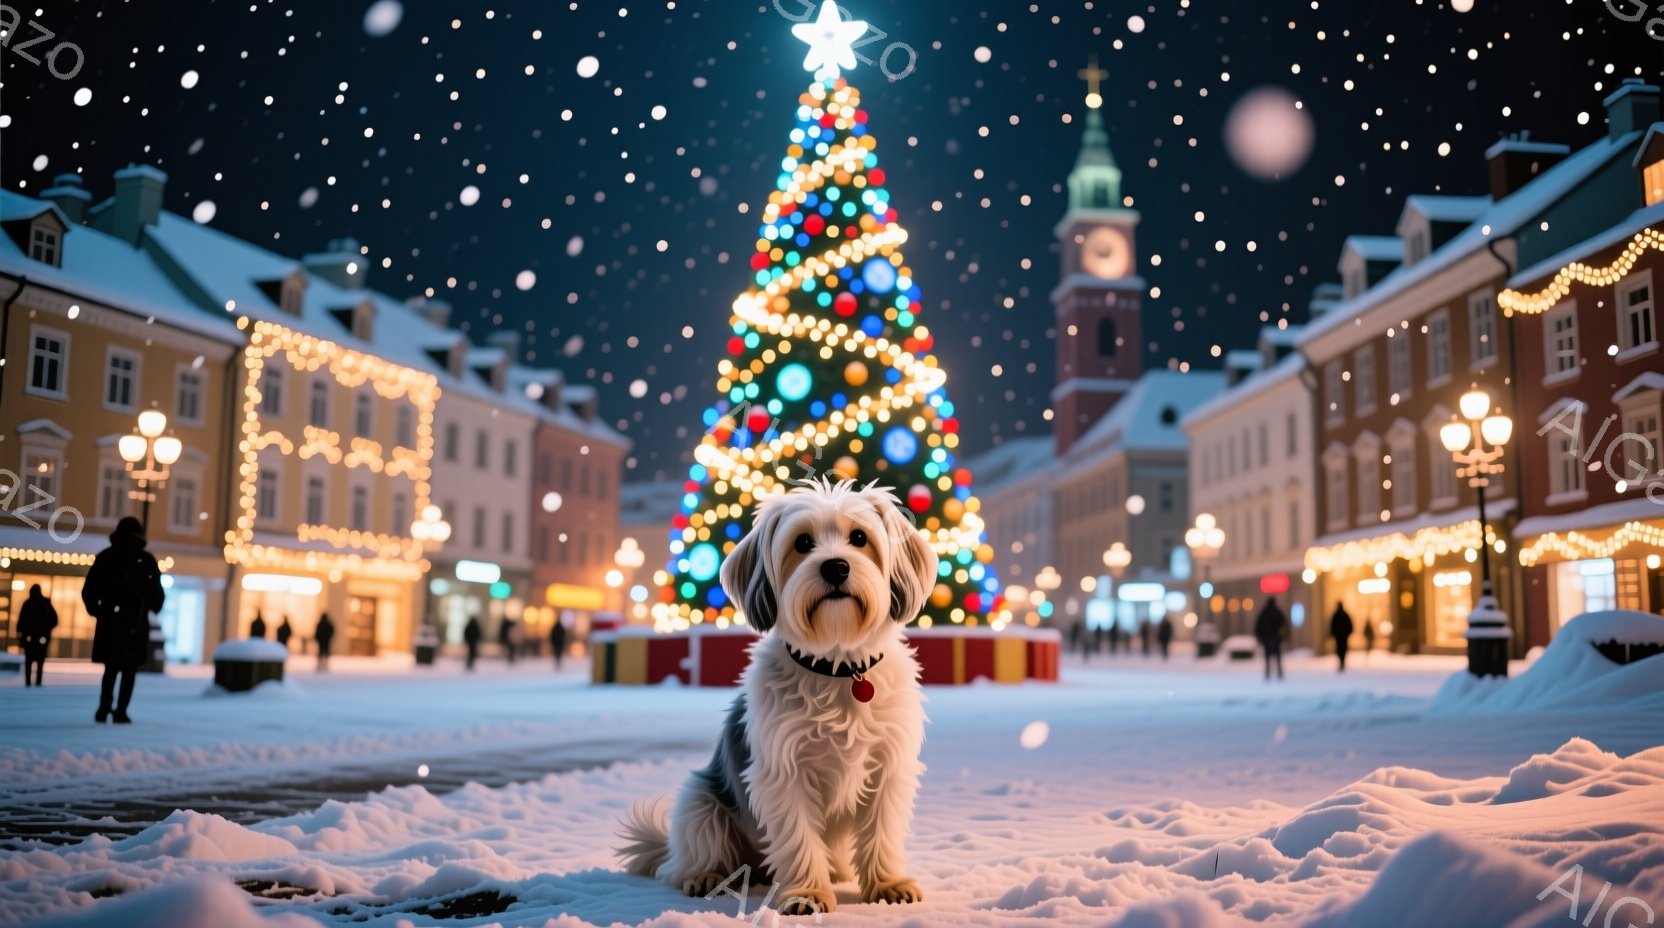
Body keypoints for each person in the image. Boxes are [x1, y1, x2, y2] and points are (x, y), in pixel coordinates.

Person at [82, 517, 164, 724]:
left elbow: (89, 590)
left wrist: (98, 611)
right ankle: (121, 711)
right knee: (129, 670)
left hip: (110, 623)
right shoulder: (145, 560)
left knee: (110, 669)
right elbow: (157, 594)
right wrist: (151, 607)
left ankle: (104, 708)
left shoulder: (106, 557)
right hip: (135, 624)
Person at [17, 584, 57, 687]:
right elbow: (54, 620)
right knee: (38, 660)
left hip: (33, 636)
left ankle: (30, 682)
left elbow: (21, 620)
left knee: (30, 660)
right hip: (39, 637)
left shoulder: (30, 603)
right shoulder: (43, 603)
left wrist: (21, 632)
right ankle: (36, 682)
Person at [1254, 596, 1289, 682]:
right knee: (1278, 658)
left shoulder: (1264, 613)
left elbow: (1258, 627)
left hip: (1267, 640)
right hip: (1276, 639)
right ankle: (1279, 673)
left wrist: (1259, 638)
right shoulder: (1278, 612)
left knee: (1267, 658)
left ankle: (1268, 673)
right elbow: (1284, 625)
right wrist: (1283, 637)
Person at [1330, 603, 1355, 673]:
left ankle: (1341, 662)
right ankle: (1342, 662)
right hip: (1343, 636)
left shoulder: (1336, 615)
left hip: (1340, 637)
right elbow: (1350, 626)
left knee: (1339, 650)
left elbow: (1333, 626)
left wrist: (1334, 634)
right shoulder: (1344, 615)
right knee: (1343, 650)